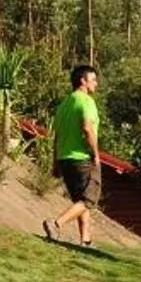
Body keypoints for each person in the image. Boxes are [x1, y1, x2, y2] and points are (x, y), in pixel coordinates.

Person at [45, 63, 101, 247]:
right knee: (89, 199)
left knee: (79, 200)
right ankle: (56, 224)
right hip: (82, 158)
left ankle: (85, 241)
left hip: (65, 158)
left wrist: (55, 162)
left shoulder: (63, 105)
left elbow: (57, 136)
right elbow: (87, 128)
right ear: (83, 81)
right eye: (93, 79)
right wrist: (96, 154)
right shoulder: (86, 101)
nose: (96, 83)